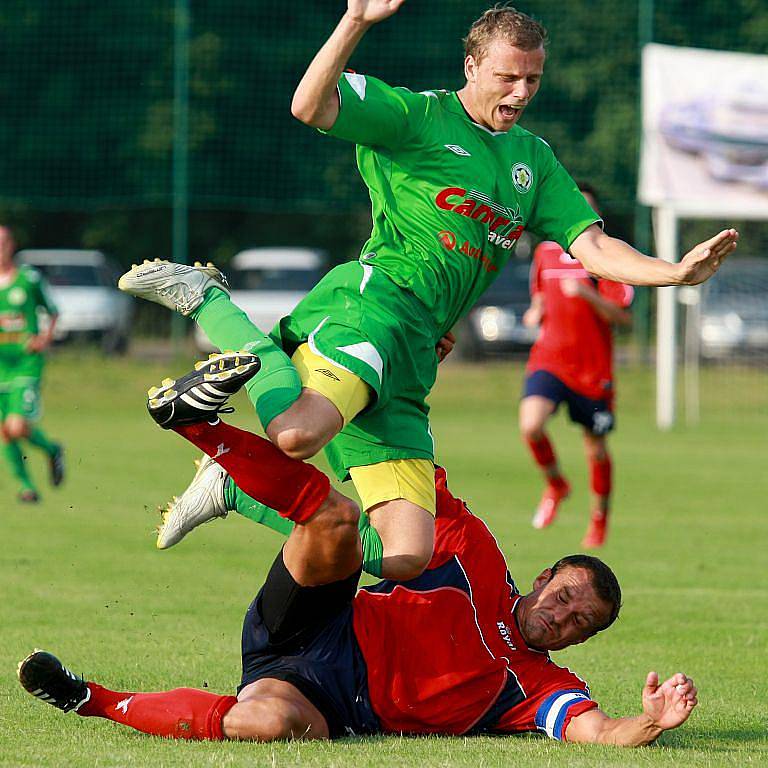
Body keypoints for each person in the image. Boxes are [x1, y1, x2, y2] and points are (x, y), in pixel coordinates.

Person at [118, 3, 738, 581]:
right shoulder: (417, 118)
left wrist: (673, 273)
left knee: (405, 554)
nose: (521, 92)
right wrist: (356, 19)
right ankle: (209, 300)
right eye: (507, 77)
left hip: (417, 351)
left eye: (533, 79)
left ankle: (234, 488)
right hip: (377, 306)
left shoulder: (535, 162)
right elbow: (310, 106)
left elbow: (594, 247)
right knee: (294, 436)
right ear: (471, 66)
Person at [19, 353, 698, 746]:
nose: (567, 615)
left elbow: (597, 732)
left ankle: (89, 699)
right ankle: (199, 424)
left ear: (582, 642)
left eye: (584, 622)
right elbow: (400, 467)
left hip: (331, 704)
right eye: (568, 595)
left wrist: (651, 722)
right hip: (322, 621)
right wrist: (403, 364)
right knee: (338, 520)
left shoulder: (539, 685)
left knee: (267, 723)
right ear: (546, 576)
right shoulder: (476, 555)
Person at [521, 184, 632, 547]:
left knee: (596, 448)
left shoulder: (608, 259)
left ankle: (599, 519)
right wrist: (536, 308)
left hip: (592, 371)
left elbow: (623, 318)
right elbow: (539, 293)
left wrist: (587, 293)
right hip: (550, 360)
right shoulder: (546, 252)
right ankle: (556, 484)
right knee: (531, 424)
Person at [0, 226, 64, 502]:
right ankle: (27, 487)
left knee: (15, 426)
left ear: (12, 245)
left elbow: (52, 312)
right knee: (6, 432)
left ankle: (51, 450)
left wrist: (43, 339)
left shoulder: (28, 279)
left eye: (3, 242)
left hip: (26, 364)